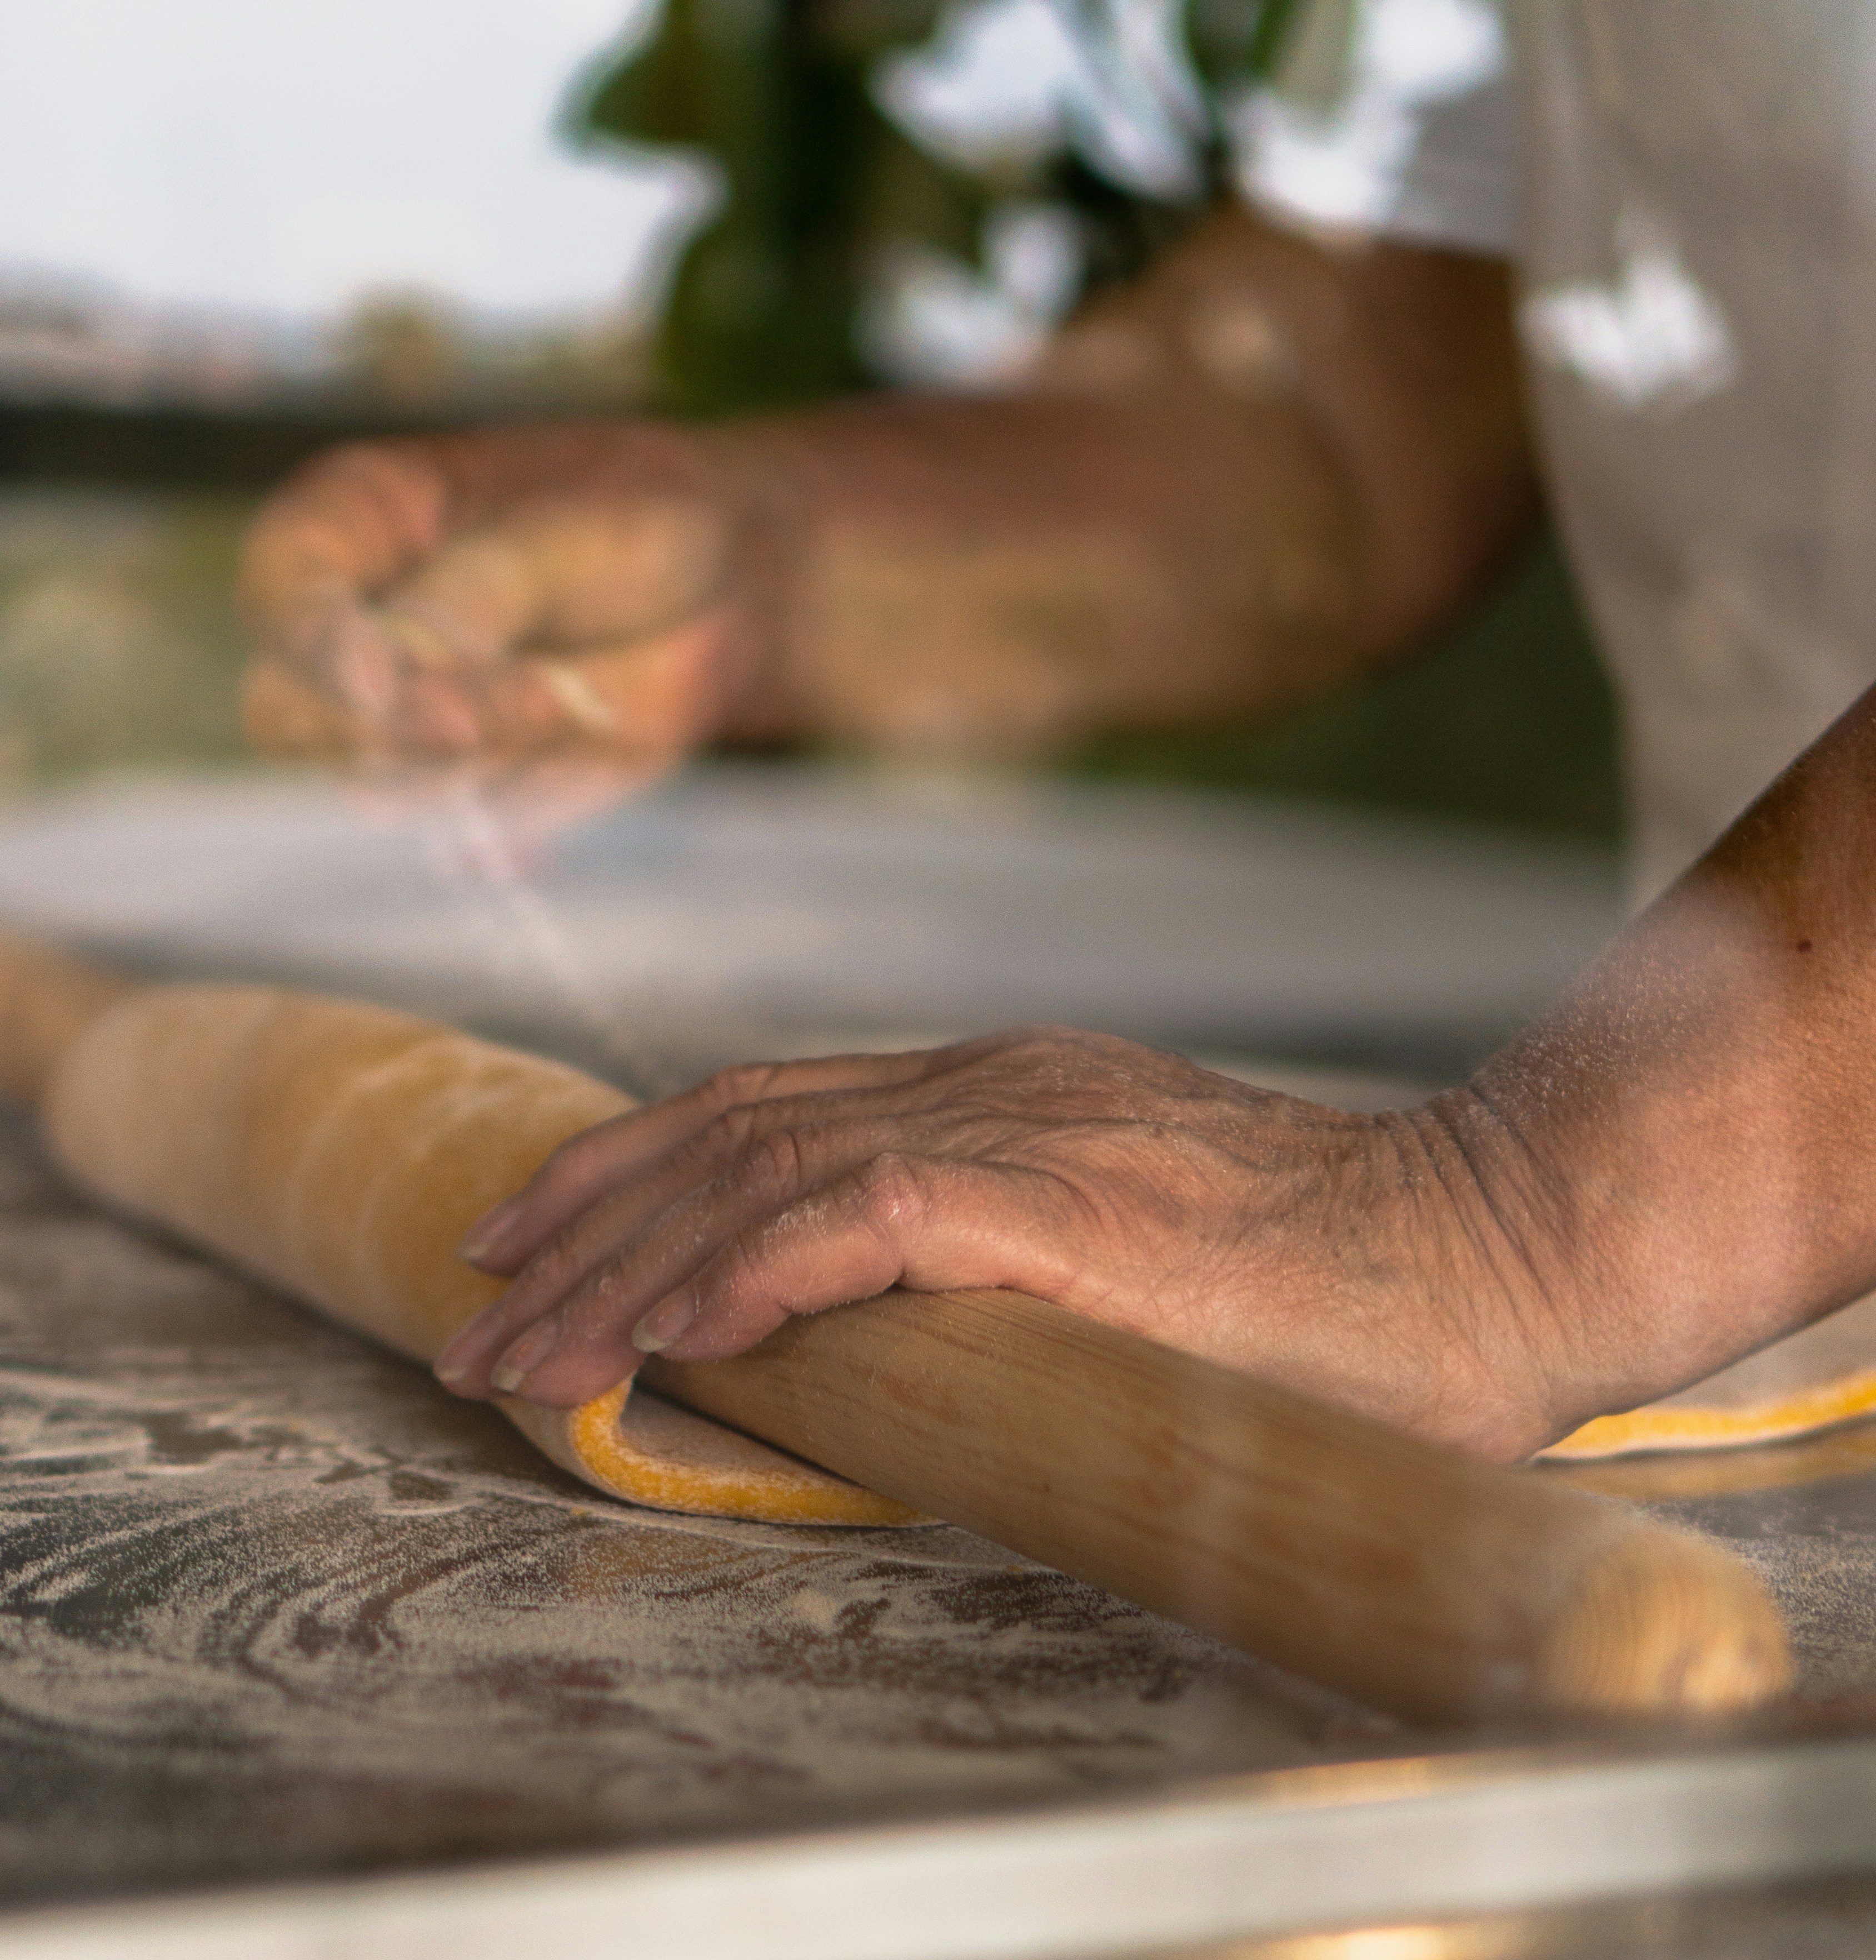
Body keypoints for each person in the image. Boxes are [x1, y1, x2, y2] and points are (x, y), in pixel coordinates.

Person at [237, 0, 1876, 1461]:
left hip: (1659, 1272)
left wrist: (1521, 1224)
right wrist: (774, 550)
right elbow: (1343, 414)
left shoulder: (1544, 1233)